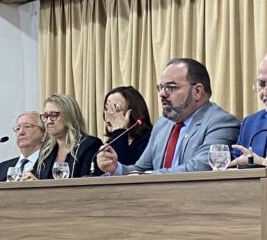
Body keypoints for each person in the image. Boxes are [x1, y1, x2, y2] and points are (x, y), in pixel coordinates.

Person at [97, 58, 240, 175]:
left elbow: (199, 168)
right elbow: (141, 169)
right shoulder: (162, 124)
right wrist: (116, 168)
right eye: (161, 87)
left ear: (197, 91)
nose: (162, 94)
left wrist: (146, 176)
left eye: (171, 87)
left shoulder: (221, 122)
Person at [24, 94, 103, 179]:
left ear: (69, 116)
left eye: (53, 115)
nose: (48, 121)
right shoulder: (46, 150)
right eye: (46, 116)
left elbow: (87, 183)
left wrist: (39, 185)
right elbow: (36, 178)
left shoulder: (90, 145)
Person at [102, 86, 153, 165]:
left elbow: (121, 167)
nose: (109, 115)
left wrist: (119, 130)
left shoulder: (149, 139)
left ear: (133, 112)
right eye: (107, 109)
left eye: (116, 109)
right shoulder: (110, 142)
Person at [0, 112, 44, 182]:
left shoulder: (51, 163)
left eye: (27, 127)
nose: (21, 132)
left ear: (44, 135)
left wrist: (38, 185)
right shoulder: (1, 167)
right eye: (18, 128)